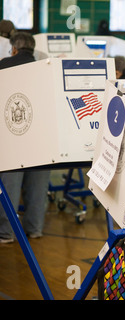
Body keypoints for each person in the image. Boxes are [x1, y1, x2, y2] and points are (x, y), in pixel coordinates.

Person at [0, 32, 50, 243]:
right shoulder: (46, 68)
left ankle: (6, 234)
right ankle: (35, 228)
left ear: (13, 48)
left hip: (13, 136)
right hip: (44, 138)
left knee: (10, 187)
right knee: (38, 187)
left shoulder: (3, 66)